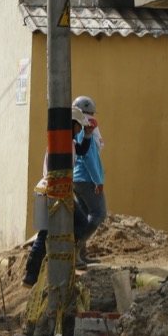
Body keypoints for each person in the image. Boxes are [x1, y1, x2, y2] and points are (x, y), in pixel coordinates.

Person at [21, 108, 97, 287]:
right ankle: (56, 264)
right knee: (78, 223)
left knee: (46, 233)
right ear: (71, 124)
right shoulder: (61, 143)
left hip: (52, 190)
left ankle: (32, 274)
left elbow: (83, 150)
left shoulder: (66, 142)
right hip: (55, 192)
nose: (79, 130)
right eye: (78, 126)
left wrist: (87, 135)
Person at [72, 95, 107, 264]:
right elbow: (88, 157)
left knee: (86, 214)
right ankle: (76, 248)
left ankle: (81, 256)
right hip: (86, 179)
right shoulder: (84, 127)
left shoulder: (79, 128)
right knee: (98, 214)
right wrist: (97, 180)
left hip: (77, 179)